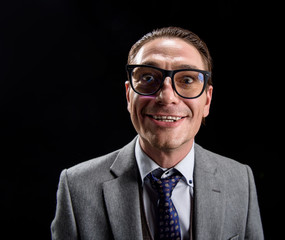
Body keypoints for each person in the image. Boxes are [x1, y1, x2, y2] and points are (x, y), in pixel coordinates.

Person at [51, 26, 264, 240]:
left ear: (207, 100)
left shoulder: (240, 180)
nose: (167, 96)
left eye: (187, 80)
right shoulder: (77, 187)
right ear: (128, 95)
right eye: (148, 78)